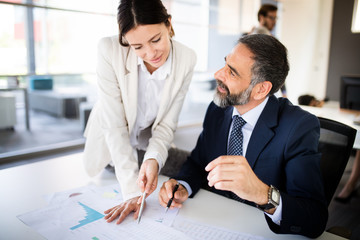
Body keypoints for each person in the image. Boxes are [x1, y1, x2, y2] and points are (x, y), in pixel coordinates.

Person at [159, 34, 328, 238]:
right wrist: (183, 185)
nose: (218, 74)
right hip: (213, 224)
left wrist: (263, 194)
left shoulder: (298, 127)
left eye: (232, 73)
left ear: (261, 89)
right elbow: (198, 162)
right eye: (225, 64)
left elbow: (315, 218)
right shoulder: (218, 109)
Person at [83, 0, 196, 224]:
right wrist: (131, 192)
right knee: (130, 168)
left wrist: (153, 159)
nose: (150, 53)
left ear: (169, 25)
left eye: (156, 39)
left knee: (192, 164)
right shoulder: (108, 50)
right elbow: (114, 126)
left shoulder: (187, 58)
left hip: (146, 146)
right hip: (112, 147)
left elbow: (166, 125)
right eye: (137, 47)